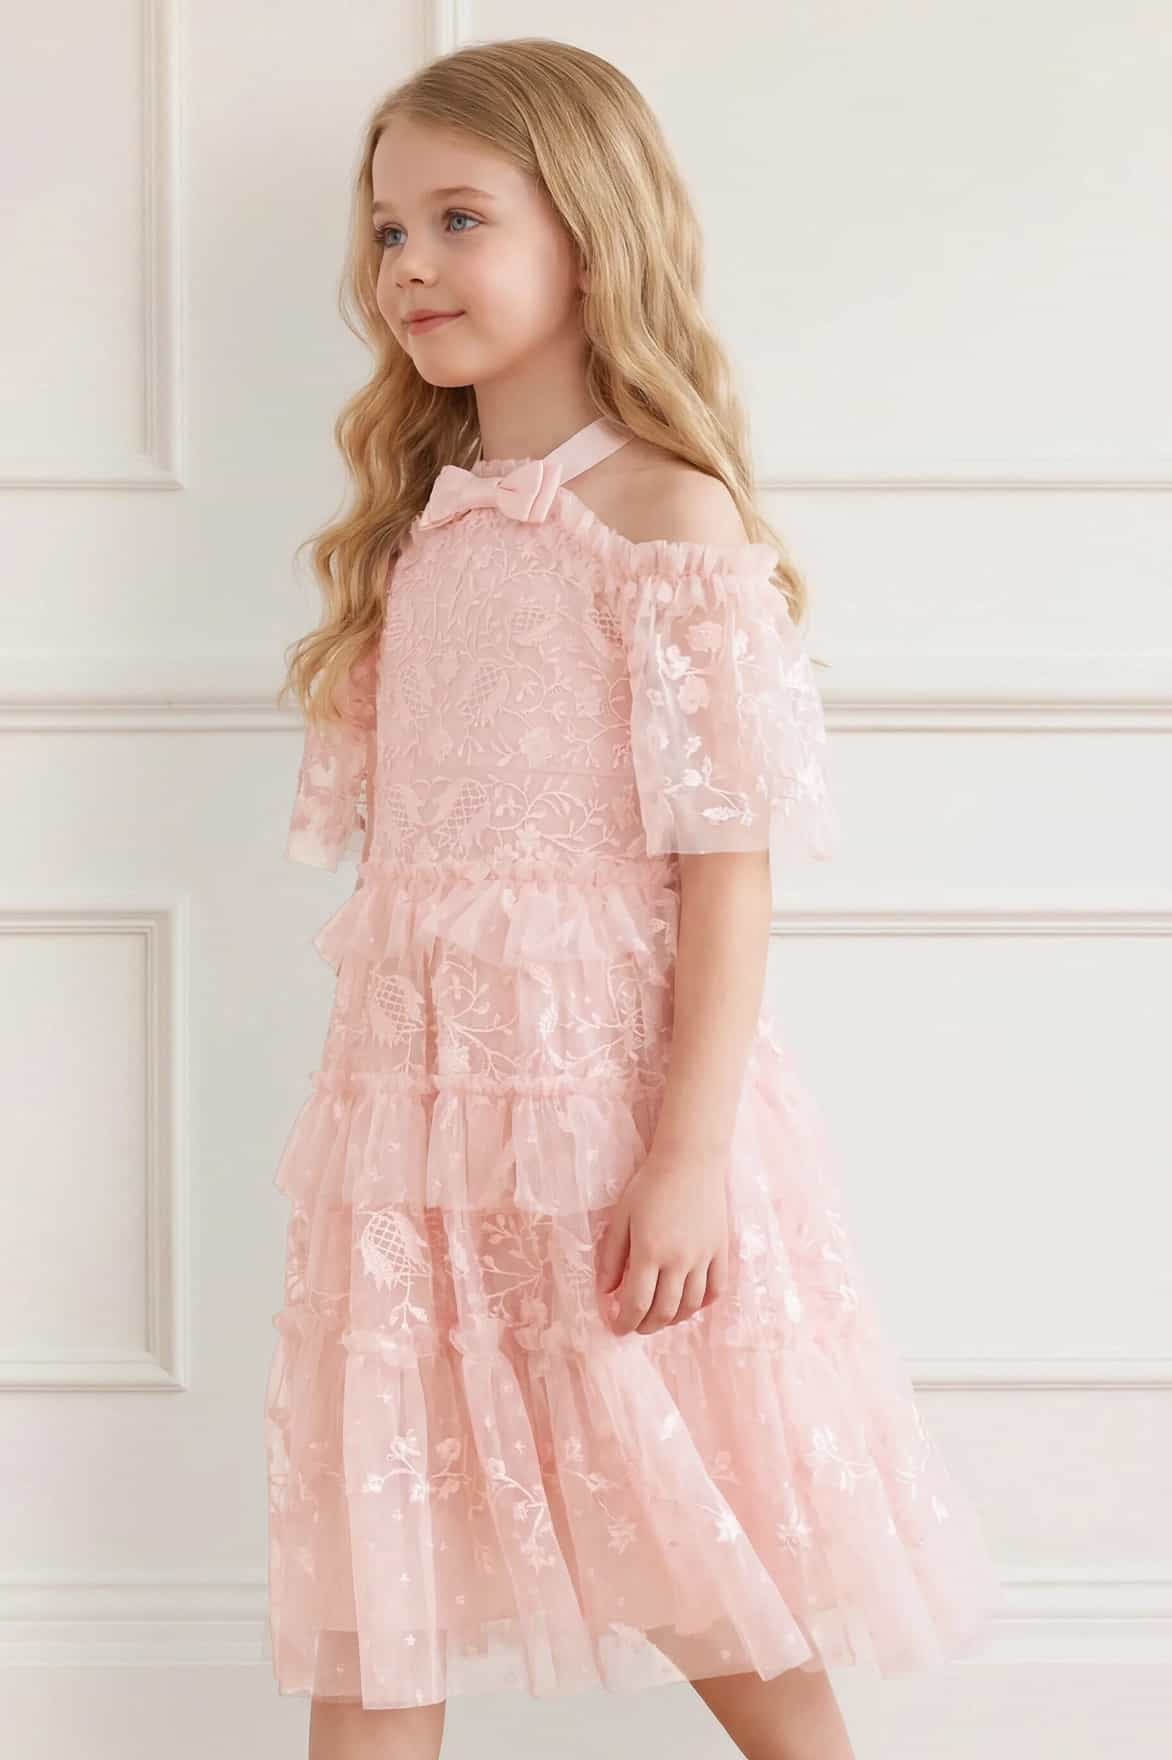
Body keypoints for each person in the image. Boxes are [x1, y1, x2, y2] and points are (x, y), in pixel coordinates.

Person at [264, 35, 1004, 1760]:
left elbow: (724, 867)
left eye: (461, 219)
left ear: (590, 232)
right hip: (414, 1115)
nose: (411, 266)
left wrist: (685, 1160)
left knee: (694, 1544)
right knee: (381, 1561)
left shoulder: (666, 514)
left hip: (605, 1115)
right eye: (389, 230)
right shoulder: (422, 532)